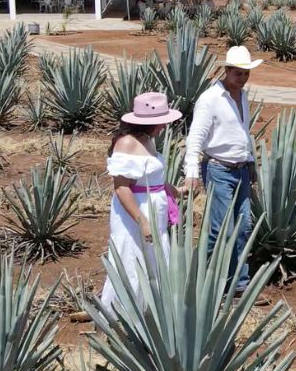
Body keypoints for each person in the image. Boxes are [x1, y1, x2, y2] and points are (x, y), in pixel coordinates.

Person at [182, 46, 263, 293]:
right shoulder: (210, 99)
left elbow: (242, 133)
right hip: (218, 169)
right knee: (220, 230)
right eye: (239, 73)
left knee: (242, 227)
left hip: (240, 170)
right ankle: (205, 282)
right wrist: (192, 173)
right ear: (226, 71)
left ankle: (238, 284)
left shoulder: (243, 96)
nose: (243, 77)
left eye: (247, 73)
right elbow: (195, 137)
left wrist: (250, 161)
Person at [100, 92, 183, 316]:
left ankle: (151, 313)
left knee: (154, 259)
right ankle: (121, 315)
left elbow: (152, 178)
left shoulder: (148, 140)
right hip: (136, 212)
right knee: (131, 257)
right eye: (161, 121)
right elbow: (122, 187)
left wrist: (175, 190)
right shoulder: (126, 144)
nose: (165, 126)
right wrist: (142, 220)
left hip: (154, 210)